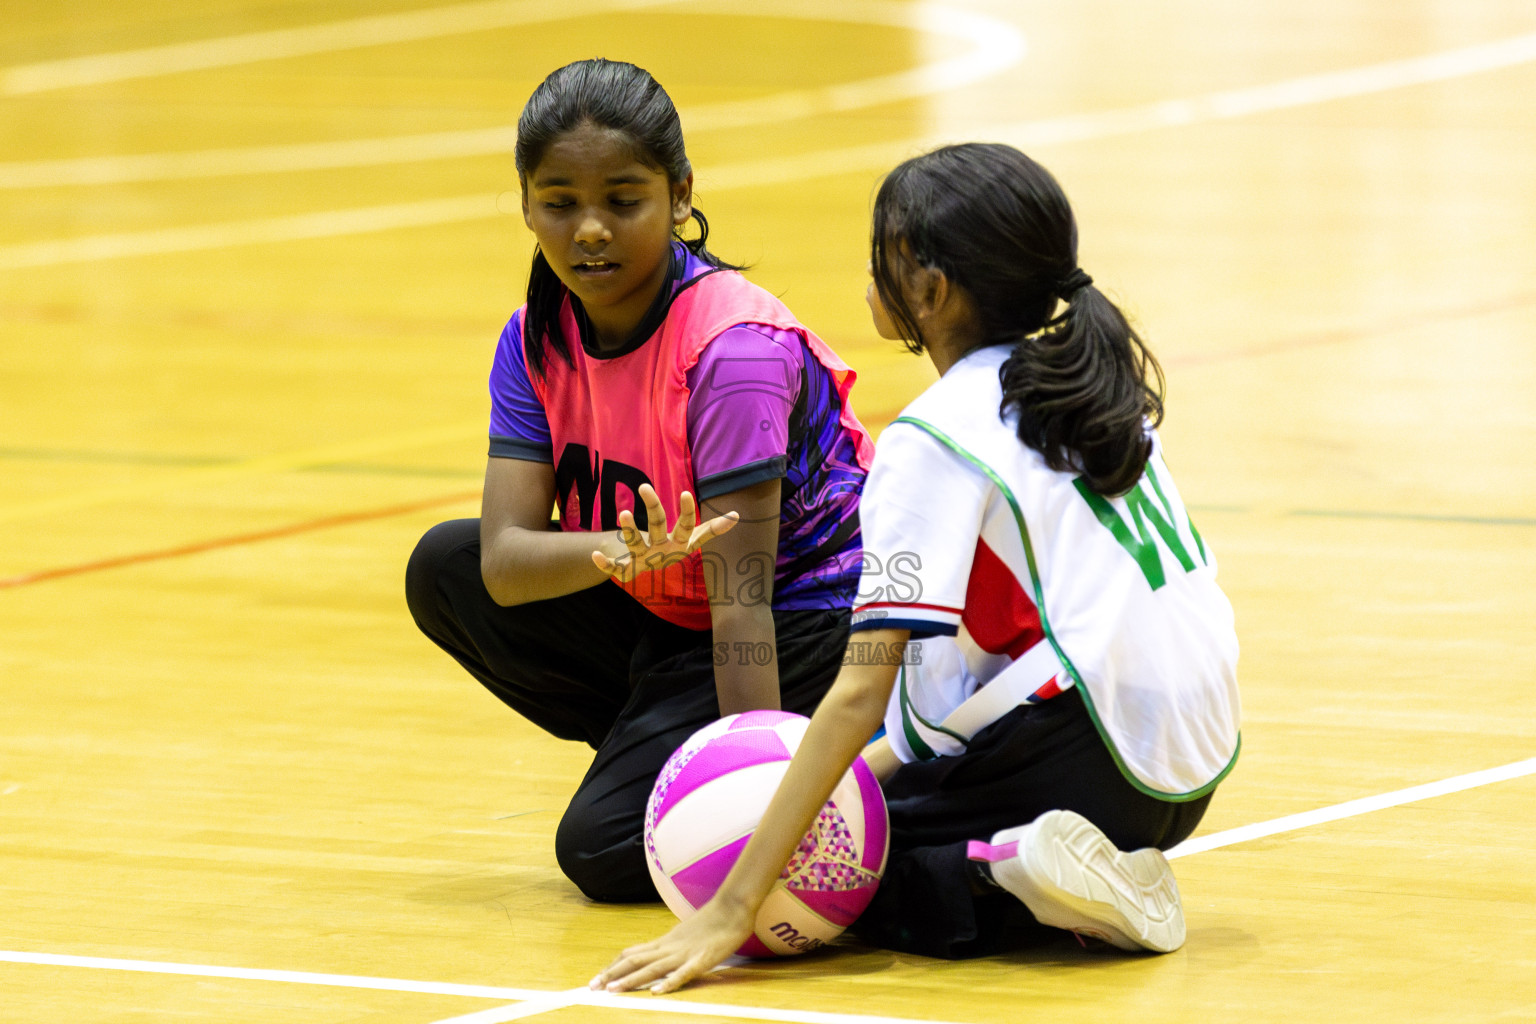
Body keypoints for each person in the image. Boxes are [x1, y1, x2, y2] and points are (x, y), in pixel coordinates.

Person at [591, 142, 1241, 993]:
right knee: (845, 816)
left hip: (1091, 758)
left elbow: (863, 685)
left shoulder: (932, 437)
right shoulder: (1082, 387)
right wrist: (847, 784)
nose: (867, 277)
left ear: (931, 292)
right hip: (1185, 763)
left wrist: (734, 904)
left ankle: (1014, 873)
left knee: (827, 875)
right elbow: (941, 696)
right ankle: (1072, 859)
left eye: (880, 259)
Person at [404, 58, 874, 903]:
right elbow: (506, 566)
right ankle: (653, 744)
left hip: (807, 624)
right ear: (524, 205)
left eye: (623, 202)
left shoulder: (732, 352)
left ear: (681, 194)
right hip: (669, 605)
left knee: (600, 849)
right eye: (560, 202)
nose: (590, 230)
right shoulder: (533, 337)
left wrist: (747, 817)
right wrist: (621, 549)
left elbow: (743, 604)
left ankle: (821, 784)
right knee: (443, 566)